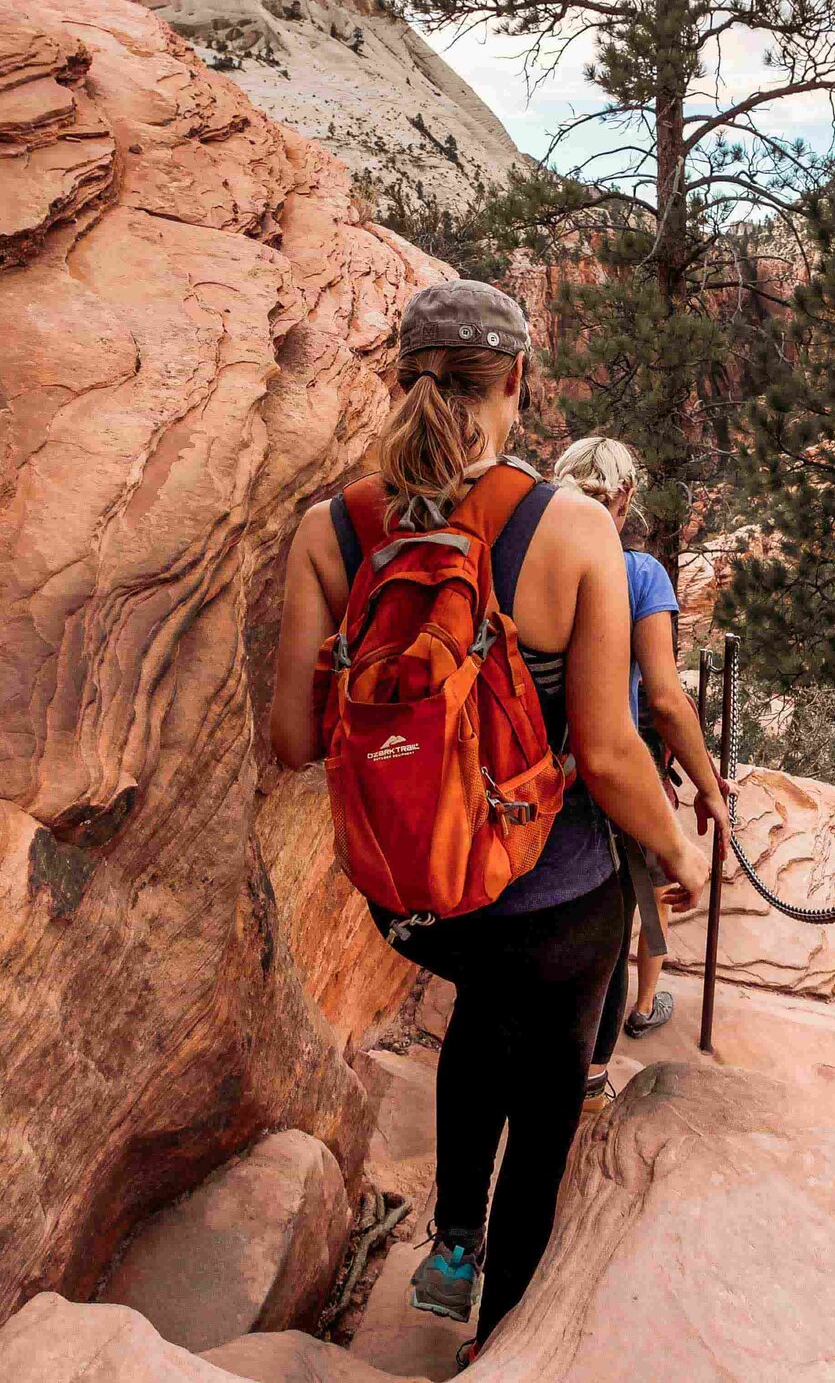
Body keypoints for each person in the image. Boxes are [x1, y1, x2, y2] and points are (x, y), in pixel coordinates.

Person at [268, 282, 712, 1357]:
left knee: (480, 1010)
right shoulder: (570, 528)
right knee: (550, 1094)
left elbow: (290, 739)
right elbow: (609, 751)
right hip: (552, 895)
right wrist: (678, 844)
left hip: (414, 898)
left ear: (398, 379)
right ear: (516, 379)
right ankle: (498, 1335)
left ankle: (450, 1238)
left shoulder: (331, 529)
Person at [550, 438, 733, 1106]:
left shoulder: (523, 554)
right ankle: (608, 1056)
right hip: (612, 783)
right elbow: (664, 698)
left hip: (522, 779)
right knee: (626, 912)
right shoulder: (638, 575)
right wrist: (709, 786)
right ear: (624, 501)